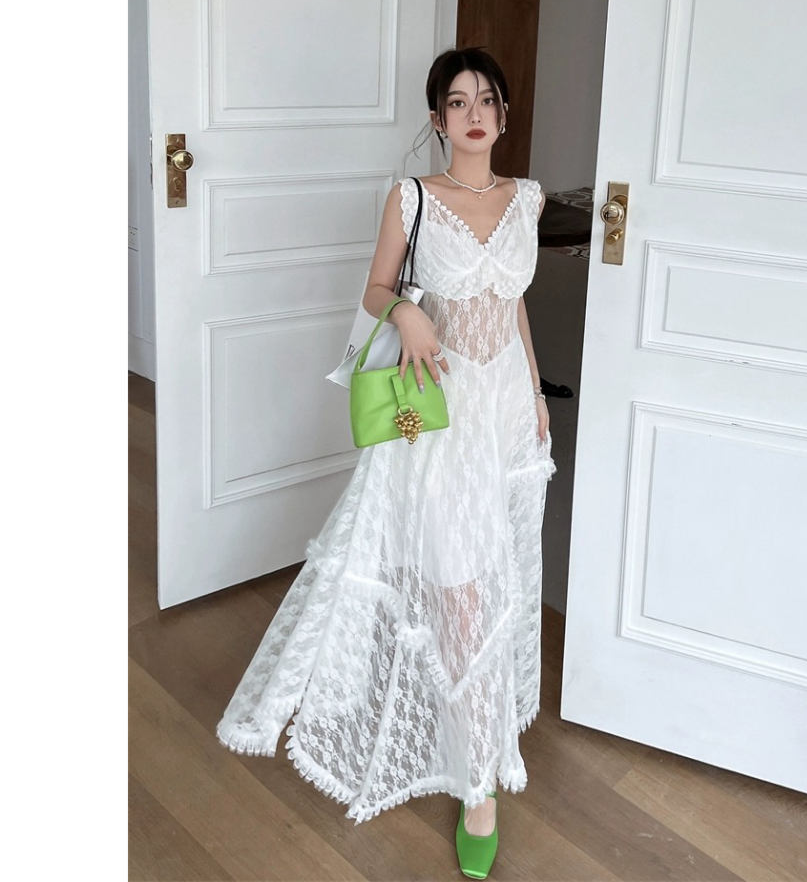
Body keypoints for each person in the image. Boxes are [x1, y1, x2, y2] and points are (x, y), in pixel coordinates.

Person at [216, 45, 556, 879]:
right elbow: (374, 289)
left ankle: (479, 739)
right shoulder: (413, 197)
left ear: (503, 116)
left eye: (486, 99)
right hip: (438, 410)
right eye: (456, 101)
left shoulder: (528, 198)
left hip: (508, 411)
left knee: (496, 577)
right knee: (460, 590)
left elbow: (514, 306)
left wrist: (537, 391)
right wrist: (406, 312)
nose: (473, 113)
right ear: (437, 119)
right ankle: (480, 785)